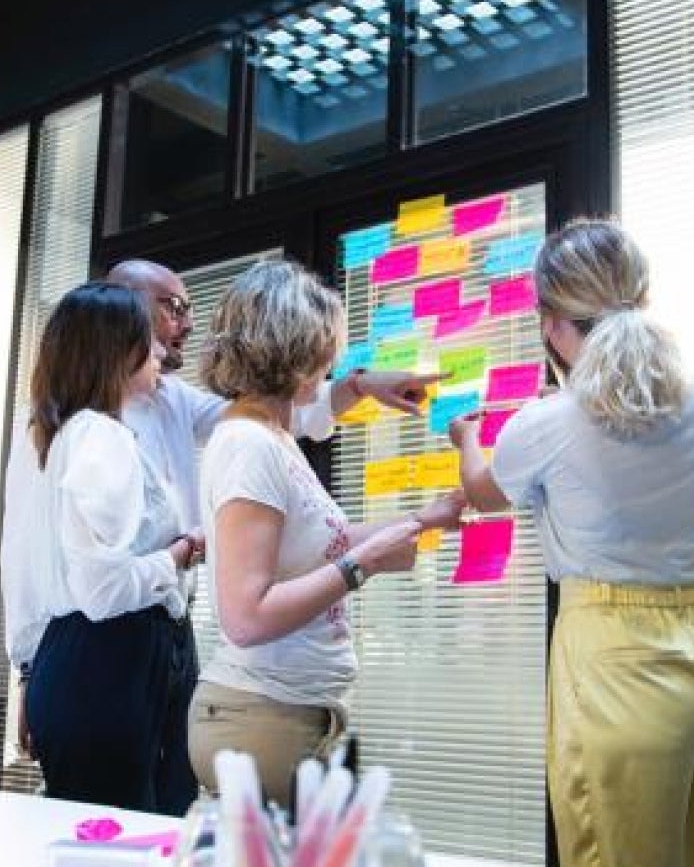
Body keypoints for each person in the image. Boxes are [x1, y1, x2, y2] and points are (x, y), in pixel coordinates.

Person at [2, 257, 446, 813]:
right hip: (95, 641)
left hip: (169, 637)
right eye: (171, 307)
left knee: (165, 815)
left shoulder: (174, 400)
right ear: (120, 312)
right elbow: (24, 561)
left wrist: (358, 385)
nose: (186, 324)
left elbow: (275, 408)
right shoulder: (50, 426)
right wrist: (28, 670)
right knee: (105, 819)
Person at [449, 218, 694, 867]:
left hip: (608, 659)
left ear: (553, 322)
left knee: (610, 845)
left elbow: (482, 491)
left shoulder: (550, 420)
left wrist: (467, 438)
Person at [187, 260, 467, 807]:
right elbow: (246, 618)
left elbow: (321, 543)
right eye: (327, 348)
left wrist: (425, 520)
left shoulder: (274, 435)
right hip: (263, 715)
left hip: (289, 712)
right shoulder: (249, 446)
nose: (332, 361)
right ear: (299, 349)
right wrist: (360, 567)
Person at [22, 282, 203, 811]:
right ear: (118, 351)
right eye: (147, 340)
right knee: (121, 839)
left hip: (99, 660)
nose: (160, 353)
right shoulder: (100, 438)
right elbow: (102, 591)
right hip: (108, 661)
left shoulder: (73, 433)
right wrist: (181, 552)